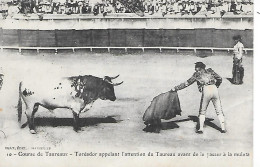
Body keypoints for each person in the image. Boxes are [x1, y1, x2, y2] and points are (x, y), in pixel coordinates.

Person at [171, 62, 226, 134]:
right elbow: (219, 78)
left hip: (206, 89)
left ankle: (200, 129)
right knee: (219, 110)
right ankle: (223, 128)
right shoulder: (210, 71)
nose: (195, 69)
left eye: (196, 67)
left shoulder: (197, 74)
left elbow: (187, 83)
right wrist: (217, 85)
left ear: (199, 68)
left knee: (202, 110)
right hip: (214, 89)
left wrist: (176, 88)